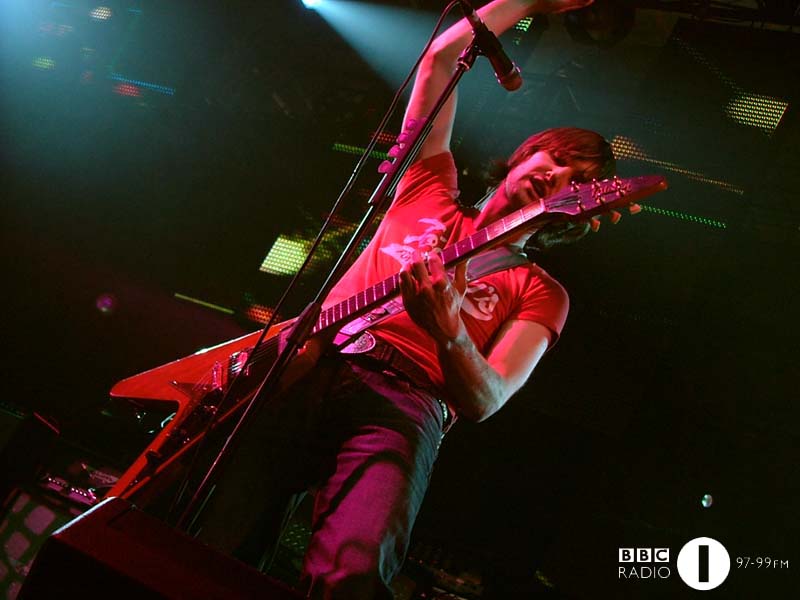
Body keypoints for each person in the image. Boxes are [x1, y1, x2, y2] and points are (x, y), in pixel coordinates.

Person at [195, 1, 614, 598]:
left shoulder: (541, 292)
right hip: (311, 361)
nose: (560, 177)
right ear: (527, 153)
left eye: (579, 181)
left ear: (579, 212)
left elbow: (487, 399)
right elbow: (439, 60)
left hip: (403, 404)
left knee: (354, 571)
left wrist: (450, 332)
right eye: (561, 159)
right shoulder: (429, 188)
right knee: (211, 537)